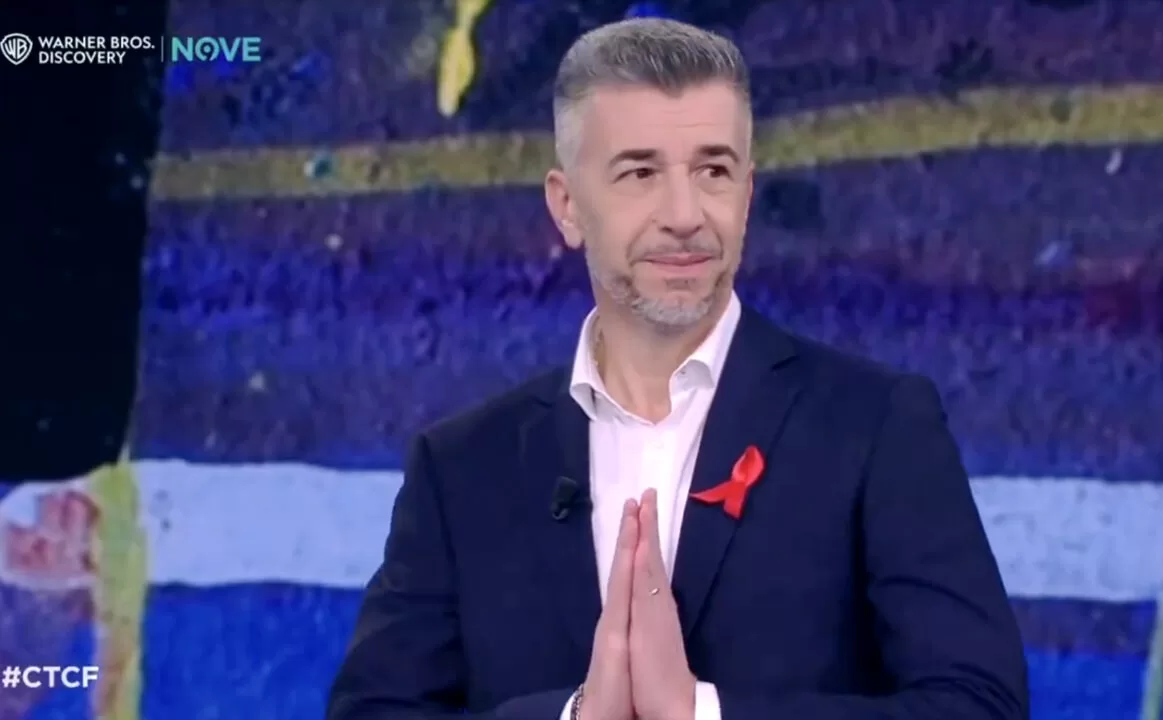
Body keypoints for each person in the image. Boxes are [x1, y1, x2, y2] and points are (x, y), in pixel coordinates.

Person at [327, 17, 1029, 720]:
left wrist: (700, 713)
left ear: (747, 195)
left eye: (713, 171)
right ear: (568, 207)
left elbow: (979, 707)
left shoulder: (874, 428)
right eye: (640, 173)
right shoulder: (462, 470)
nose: (685, 214)